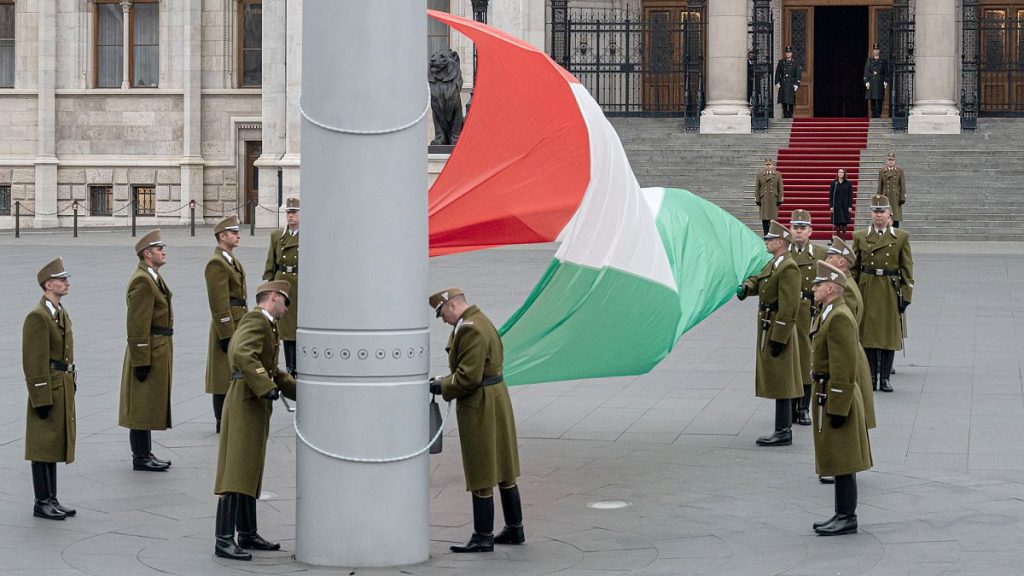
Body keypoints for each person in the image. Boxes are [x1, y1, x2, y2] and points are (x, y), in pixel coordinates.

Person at [428, 288, 523, 553]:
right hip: (496, 398)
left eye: (442, 313)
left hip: (480, 403)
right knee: (504, 467)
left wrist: (441, 386)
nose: (442, 319)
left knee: (481, 465)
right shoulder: (481, 320)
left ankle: (483, 536)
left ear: (452, 306)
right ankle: (515, 528)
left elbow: (468, 377)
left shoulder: (469, 328)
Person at [213, 280, 297, 561]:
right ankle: (223, 539)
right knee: (236, 469)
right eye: (285, 301)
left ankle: (247, 532)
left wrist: (302, 391)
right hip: (245, 402)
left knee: (249, 468)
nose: (286, 308)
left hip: (254, 402)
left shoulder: (267, 324)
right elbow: (241, 353)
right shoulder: (255, 319)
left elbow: (273, 370)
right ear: (273, 298)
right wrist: (265, 385)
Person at [809, 260, 873, 536]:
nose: (813, 288)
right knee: (837, 458)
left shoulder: (839, 318)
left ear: (832, 288)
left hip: (838, 397)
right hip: (829, 394)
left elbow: (845, 367)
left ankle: (847, 516)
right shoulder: (828, 312)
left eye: (819, 284)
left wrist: (838, 406)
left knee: (844, 460)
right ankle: (841, 513)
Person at [736, 221, 803, 447]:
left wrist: (779, 337)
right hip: (769, 325)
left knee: (782, 379)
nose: (766, 241)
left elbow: (789, 306)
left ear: (780, 242)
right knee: (777, 377)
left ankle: (783, 431)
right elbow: (760, 280)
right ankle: (781, 429)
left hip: (776, 327)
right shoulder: (775, 263)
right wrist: (747, 288)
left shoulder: (788, 267)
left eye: (769, 239)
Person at [23, 257, 77, 520]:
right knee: (42, 446)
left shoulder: (60, 312)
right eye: (61, 279)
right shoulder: (38, 316)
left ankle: (52, 498)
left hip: (61, 383)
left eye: (66, 278)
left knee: (53, 443)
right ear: (48, 284)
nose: (66, 282)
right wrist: (40, 396)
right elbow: (33, 361)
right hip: (47, 387)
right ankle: (41, 501)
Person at [119, 229, 174, 472]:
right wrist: (141, 358)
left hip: (159, 345)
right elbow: (137, 322)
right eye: (159, 248)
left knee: (149, 400)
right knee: (142, 402)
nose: (163, 251)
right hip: (149, 346)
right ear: (146, 253)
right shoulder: (142, 280)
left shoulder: (152, 276)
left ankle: (145, 452)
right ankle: (140, 456)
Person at [851, 195, 914, 393]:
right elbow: (853, 268)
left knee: (888, 334)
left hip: (889, 288)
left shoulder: (900, 237)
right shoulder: (860, 236)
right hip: (867, 287)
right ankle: (870, 376)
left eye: (882, 212)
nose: (878, 216)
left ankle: (885, 377)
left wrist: (906, 295)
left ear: (890, 214)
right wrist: (851, 292)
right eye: (875, 212)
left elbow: (907, 268)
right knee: (868, 334)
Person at [825, 236, 876, 433]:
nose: (827, 260)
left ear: (842, 262)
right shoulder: (845, 284)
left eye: (831, 257)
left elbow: (844, 327)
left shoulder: (845, 290)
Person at [205, 215, 248, 433]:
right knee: (222, 375)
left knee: (232, 371)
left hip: (238, 321)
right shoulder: (217, 263)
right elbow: (218, 301)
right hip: (228, 323)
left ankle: (231, 416)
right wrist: (225, 332)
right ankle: (221, 420)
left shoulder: (231, 260)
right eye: (233, 233)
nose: (237, 235)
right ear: (222, 236)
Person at [789, 209, 823, 427]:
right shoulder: (783, 253)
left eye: (803, 228)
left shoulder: (820, 254)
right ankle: (789, 407)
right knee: (789, 361)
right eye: (795, 228)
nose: (799, 232)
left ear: (810, 230)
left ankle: (803, 408)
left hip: (810, 312)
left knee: (807, 361)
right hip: (789, 312)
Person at [263, 197, 300, 376]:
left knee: (296, 328)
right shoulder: (278, 235)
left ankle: (298, 365)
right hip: (282, 283)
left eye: (294, 212)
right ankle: (289, 367)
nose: (290, 216)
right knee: (284, 329)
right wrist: (268, 285)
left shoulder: (306, 234)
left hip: (299, 285)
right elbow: (271, 262)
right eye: (288, 212)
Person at [877, 152, 907, 228]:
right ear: (887, 161)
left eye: (892, 160)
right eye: (889, 160)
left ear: (894, 161)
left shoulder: (899, 171)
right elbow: (879, 187)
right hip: (885, 198)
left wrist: (902, 197)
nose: (890, 161)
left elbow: (902, 185)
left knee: (895, 219)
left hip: (895, 199)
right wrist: (879, 198)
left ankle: (895, 237)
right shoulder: (882, 172)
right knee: (884, 218)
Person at [756, 158, 784, 235]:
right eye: (766, 164)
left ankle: (772, 234)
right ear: (764, 165)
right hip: (764, 199)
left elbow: (780, 188)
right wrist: (757, 199)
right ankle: (766, 235)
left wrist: (780, 199)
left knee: (772, 219)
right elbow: (757, 188)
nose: (768, 166)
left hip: (773, 199)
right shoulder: (760, 175)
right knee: (764, 219)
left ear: (772, 165)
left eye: (769, 164)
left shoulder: (778, 174)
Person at [775, 46, 801, 118]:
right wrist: (777, 83)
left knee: (791, 100)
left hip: (791, 84)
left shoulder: (795, 63)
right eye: (787, 52)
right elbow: (777, 73)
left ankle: (790, 114)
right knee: (784, 100)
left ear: (791, 53)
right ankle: (785, 114)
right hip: (783, 83)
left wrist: (797, 84)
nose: (788, 54)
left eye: (789, 52)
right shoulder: (781, 62)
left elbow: (798, 74)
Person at [863, 45, 889, 119]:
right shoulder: (869, 60)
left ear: (879, 51)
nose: (876, 51)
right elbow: (866, 71)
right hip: (872, 81)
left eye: (877, 50)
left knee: (879, 98)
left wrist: (885, 81)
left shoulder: (883, 61)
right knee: (873, 98)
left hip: (880, 81)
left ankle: (879, 113)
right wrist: (866, 81)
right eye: (874, 50)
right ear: (873, 51)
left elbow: (886, 73)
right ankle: (873, 112)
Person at [829, 168, 854, 240]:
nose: (840, 174)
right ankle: (837, 238)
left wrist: (850, 206)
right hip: (836, 205)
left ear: (844, 174)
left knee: (844, 223)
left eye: (842, 172)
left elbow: (850, 195)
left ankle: (843, 238)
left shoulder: (848, 183)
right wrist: (831, 206)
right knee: (837, 223)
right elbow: (831, 195)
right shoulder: (834, 183)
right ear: (837, 174)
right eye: (839, 172)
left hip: (845, 205)